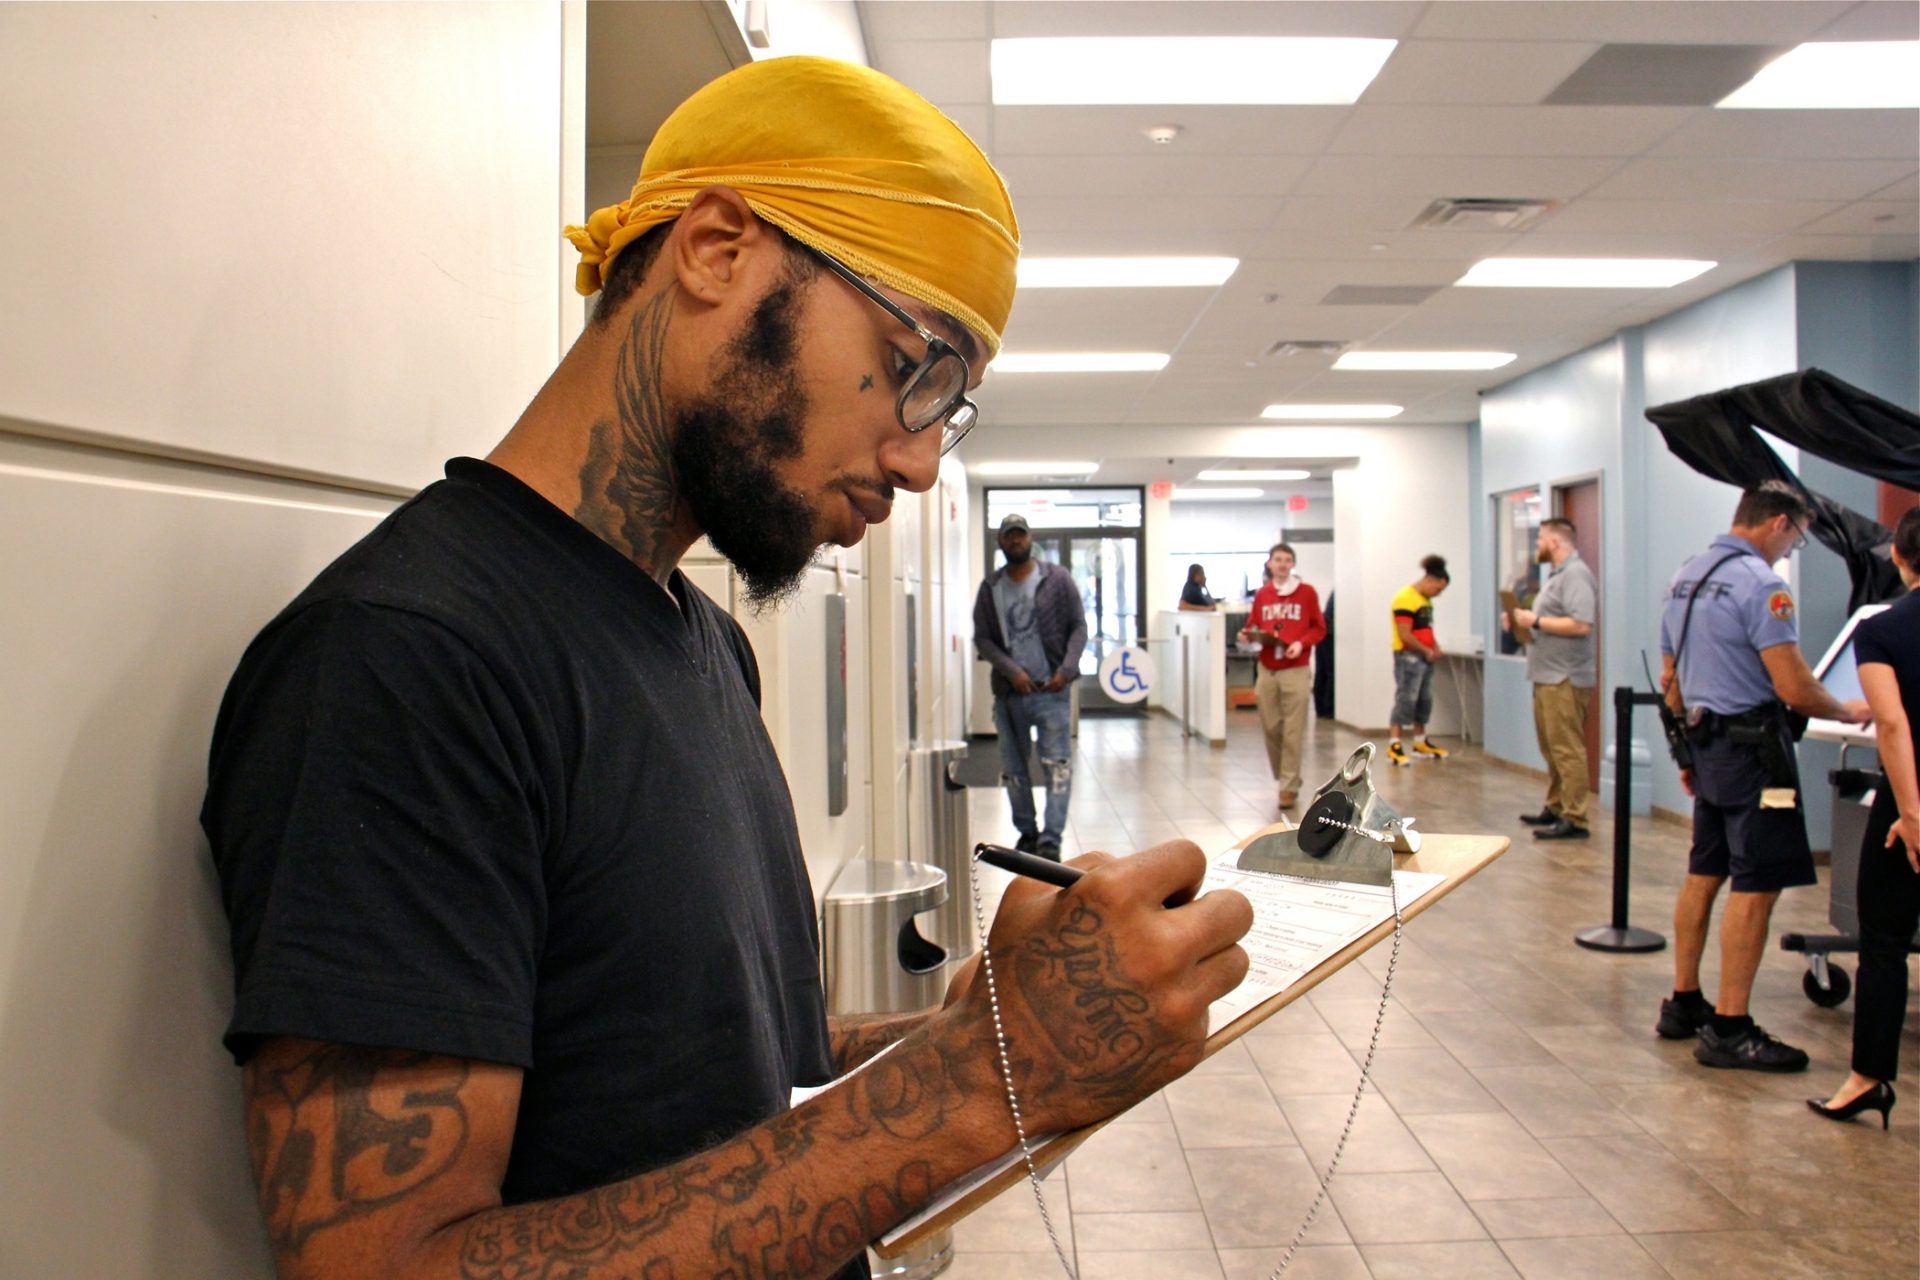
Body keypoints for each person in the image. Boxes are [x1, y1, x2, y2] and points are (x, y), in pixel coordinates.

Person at [201, 57, 1252, 1280]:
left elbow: (712, 1073)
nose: (918, 463)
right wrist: (974, 1084)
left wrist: (980, 1028)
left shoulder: (704, 642)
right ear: (714, 249)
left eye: (947, 409)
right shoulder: (410, 662)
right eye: (915, 368)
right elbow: (387, 1268)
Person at [1655, 481, 1871, 1072]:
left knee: (1704, 871)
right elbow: (1792, 685)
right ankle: (1730, 1026)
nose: (1789, 552)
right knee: (1756, 882)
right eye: (1795, 540)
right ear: (1778, 523)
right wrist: (1849, 709)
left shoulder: (1686, 577)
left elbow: (1671, 680)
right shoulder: (1761, 585)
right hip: (1755, 757)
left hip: (1706, 745)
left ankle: (1684, 1002)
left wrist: (1686, 758)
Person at [1810, 506, 1920, 1126]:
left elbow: (1895, 726)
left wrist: (1911, 814)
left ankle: (1868, 1079)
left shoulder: (1882, 631)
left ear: (1899, 560)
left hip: (1909, 804)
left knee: (1884, 942)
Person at [973, 512, 1089, 859]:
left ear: (1030, 538)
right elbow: (983, 639)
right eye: (1009, 536)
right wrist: (1012, 671)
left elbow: (1079, 627)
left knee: (1057, 767)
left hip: (1052, 691)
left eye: (1020, 534)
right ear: (1001, 542)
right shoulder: (991, 587)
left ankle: (1051, 840)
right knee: (1014, 770)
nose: (1015, 540)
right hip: (1011, 695)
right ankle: (1027, 833)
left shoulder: (1057, 579)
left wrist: (1066, 670)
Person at [1506, 517, 1598, 840]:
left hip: (1565, 677)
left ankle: (1575, 817)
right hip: (1547, 674)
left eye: (1540, 540)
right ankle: (1556, 805)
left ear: (1555, 542)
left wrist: (1538, 620)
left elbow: (1581, 624)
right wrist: (1522, 622)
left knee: (1567, 748)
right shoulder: (1557, 576)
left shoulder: (1576, 576)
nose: (1537, 546)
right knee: (1551, 747)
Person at [1240, 543, 1326, 809]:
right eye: (1278, 559)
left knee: (1293, 729)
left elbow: (1318, 628)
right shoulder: (1263, 595)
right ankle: (1287, 775)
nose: (1282, 564)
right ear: (1270, 563)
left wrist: (1301, 643)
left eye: (1287, 560)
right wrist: (1248, 635)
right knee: (1271, 726)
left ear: (1293, 564)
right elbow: (1253, 624)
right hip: (1267, 667)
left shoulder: (1307, 593)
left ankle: (1288, 786)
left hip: (1295, 668)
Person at [1387, 554, 1452, 767]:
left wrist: (1435, 647)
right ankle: (1394, 743)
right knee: (1406, 697)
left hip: (1425, 656)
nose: (1439, 593)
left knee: (1424, 699)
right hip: (1408, 657)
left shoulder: (1426, 600)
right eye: (1438, 589)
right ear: (1430, 580)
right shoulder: (1405, 598)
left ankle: (1419, 741)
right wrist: (1425, 650)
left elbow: (1426, 629)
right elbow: (1405, 634)